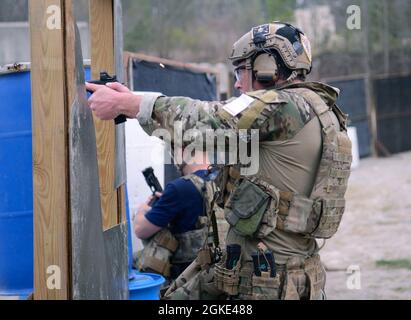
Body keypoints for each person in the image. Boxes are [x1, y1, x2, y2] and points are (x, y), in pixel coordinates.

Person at [86, 21, 352, 300]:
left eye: (241, 70)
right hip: (280, 274)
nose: (237, 82)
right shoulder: (319, 111)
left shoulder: (285, 106)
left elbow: (207, 120)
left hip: (266, 284)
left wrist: (132, 105)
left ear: (266, 66)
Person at [133, 151, 219, 282]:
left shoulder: (179, 188)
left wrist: (141, 211)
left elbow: (141, 230)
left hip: (187, 283)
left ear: (183, 149)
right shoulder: (224, 182)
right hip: (222, 274)